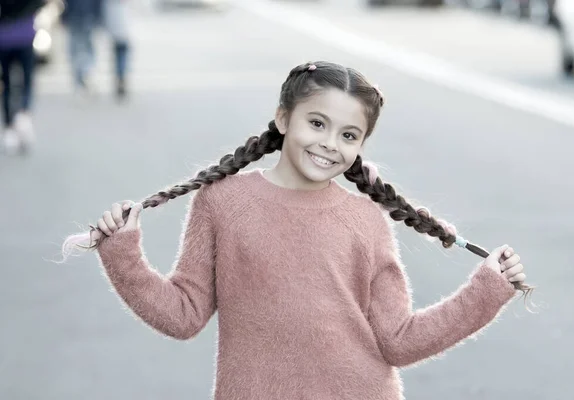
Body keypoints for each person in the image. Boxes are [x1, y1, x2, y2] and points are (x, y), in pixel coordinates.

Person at [61, 61, 532, 399]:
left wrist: (485, 290)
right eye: (317, 123)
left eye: (349, 135)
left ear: (361, 145)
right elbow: (183, 315)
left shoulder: (366, 221)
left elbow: (399, 339)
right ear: (284, 119)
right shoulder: (223, 202)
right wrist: (123, 254)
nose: (330, 144)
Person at [0, 0, 44, 155]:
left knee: (6, 84)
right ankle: (24, 114)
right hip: (24, 34)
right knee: (26, 81)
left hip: (4, 36)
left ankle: (10, 126)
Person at [61, 0, 103, 93]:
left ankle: (84, 72)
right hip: (79, 17)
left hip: (83, 17)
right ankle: (82, 73)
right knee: (79, 47)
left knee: (82, 46)